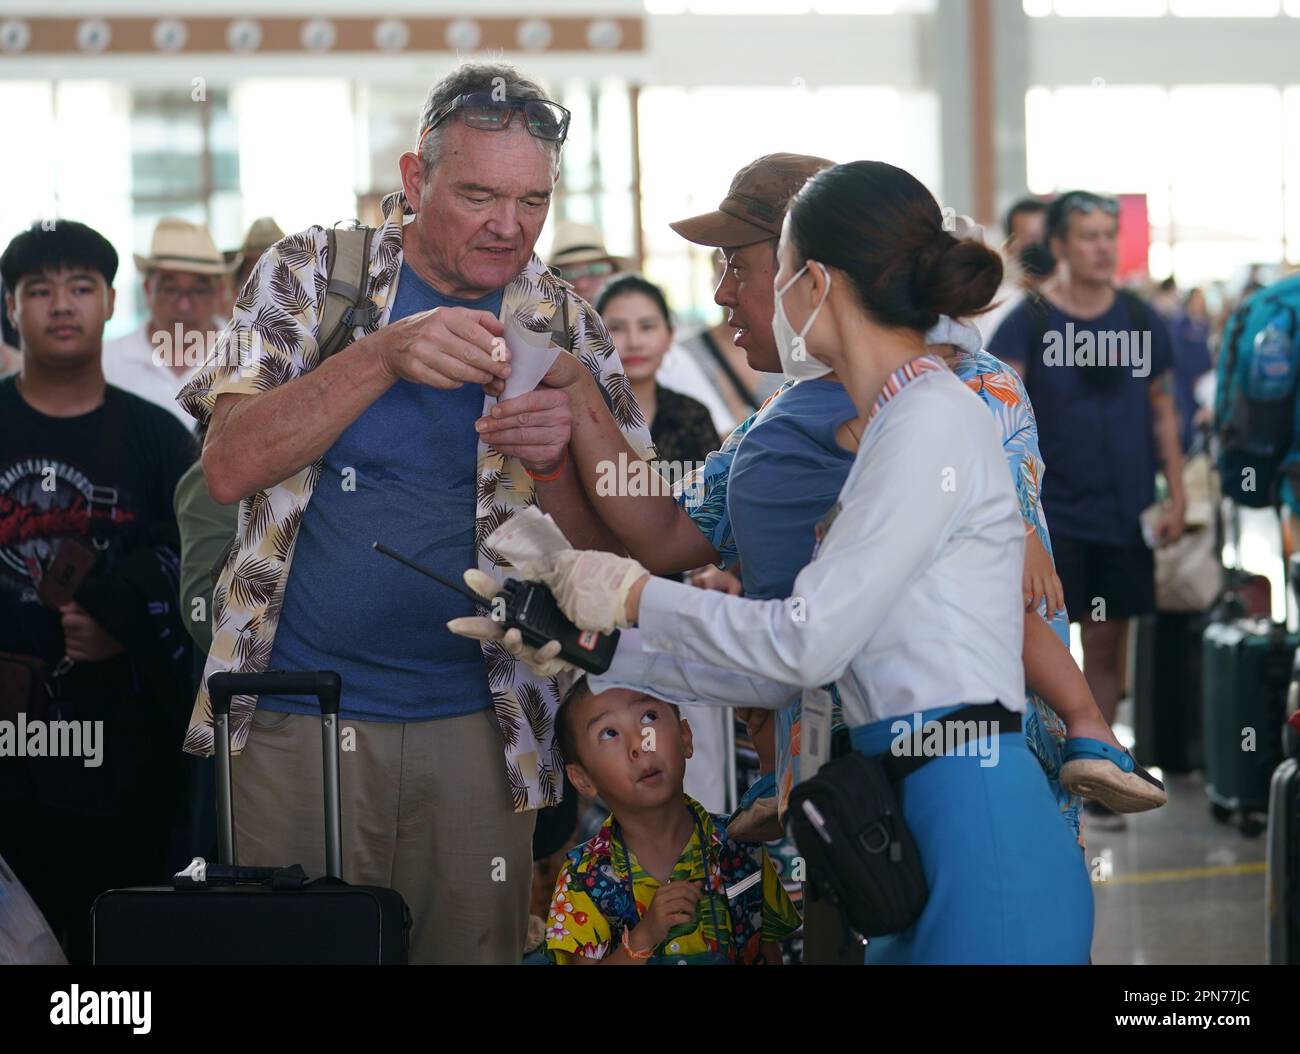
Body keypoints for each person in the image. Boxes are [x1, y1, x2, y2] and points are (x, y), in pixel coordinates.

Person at [496, 161, 1097, 964]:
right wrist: (599, 645)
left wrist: (637, 599)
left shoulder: (932, 420)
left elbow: (804, 641)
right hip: (898, 816)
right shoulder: (879, 422)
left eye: (758, 268)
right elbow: (792, 668)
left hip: (969, 810)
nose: (727, 296)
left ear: (811, 281)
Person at [176, 62, 654, 965]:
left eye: (532, 200)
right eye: (477, 194)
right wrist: (382, 356)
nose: (508, 226)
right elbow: (231, 463)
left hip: (484, 728)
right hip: (293, 719)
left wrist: (555, 463)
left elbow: (614, 569)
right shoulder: (314, 274)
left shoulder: (567, 324)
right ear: (413, 178)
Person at [0, 221, 195, 963]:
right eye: (39, 290)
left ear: (112, 301)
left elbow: (198, 578)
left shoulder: (157, 438)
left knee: (120, 942)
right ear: (11, 306)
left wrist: (128, 628)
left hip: (125, 754)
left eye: (80, 288)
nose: (61, 306)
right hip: (9, 750)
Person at [988, 190, 1185, 828]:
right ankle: (1051, 766)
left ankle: (1101, 768)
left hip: (1123, 511)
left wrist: (1175, 492)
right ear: (1063, 245)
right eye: (1089, 235)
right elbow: (994, 405)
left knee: (1107, 642)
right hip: (1050, 518)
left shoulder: (1139, 317)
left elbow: (1162, 409)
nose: (1102, 247)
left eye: (1109, 235)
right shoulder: (1030, 320)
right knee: (1049, 642)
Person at [543, 677, 800, 964]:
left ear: (685, 737)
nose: (639, 744)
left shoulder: (742, 844)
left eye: (648, 717)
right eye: (609, 733)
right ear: (582, 779)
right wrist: (644, 937)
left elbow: (769, 952)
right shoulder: (582, 877)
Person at [596, 273, 728, 813]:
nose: (634, 341)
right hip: (602, 608)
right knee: (620, 750)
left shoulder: (691, 416)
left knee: (696, 747)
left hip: (683, 606)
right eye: (617, 328)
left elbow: (715, 517)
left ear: (670, 335)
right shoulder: (588, 418)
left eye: (647, 326)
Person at [103, 217, 232, 430]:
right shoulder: (107, 363)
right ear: (147, 290)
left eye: (198, 291)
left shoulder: (251, 360)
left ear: (219, 293)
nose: (183, 305)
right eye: (170, 290)